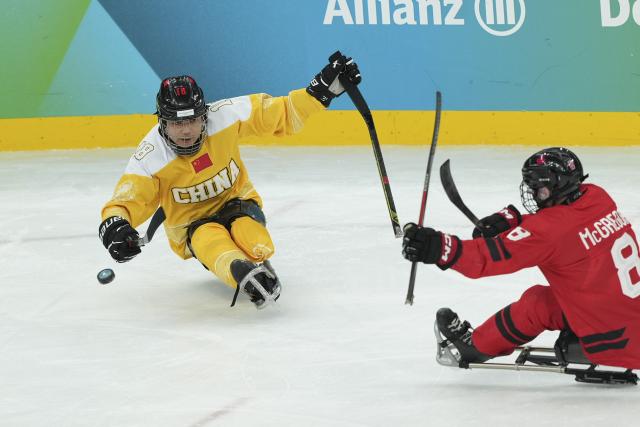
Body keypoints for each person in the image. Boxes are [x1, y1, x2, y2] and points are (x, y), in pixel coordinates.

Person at [99, 51, 361, 308]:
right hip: (192, 225)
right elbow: (126, 199)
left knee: (253, 237)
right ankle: (237, 270)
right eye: (176, 123)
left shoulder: (225, 115)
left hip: (238, 203)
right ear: (162, 123)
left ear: (205, 114)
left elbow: (282, 112)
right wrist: (116, 226)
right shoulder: (151, 156)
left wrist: (320, 92)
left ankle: (249, 259)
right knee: (207, 240)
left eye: (192, 119)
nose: (186, 131)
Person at [402, 147, 640, 370]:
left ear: (553, 186)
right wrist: (512, 220)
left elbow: (486, 259)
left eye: (537, 187)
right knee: (546, 300)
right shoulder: (597, 196)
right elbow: (563, 223)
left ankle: (475, 347)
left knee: (535, 304)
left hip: (616, 342)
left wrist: (437, 247)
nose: (533, 193)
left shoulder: (548, 232)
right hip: (626, 312)